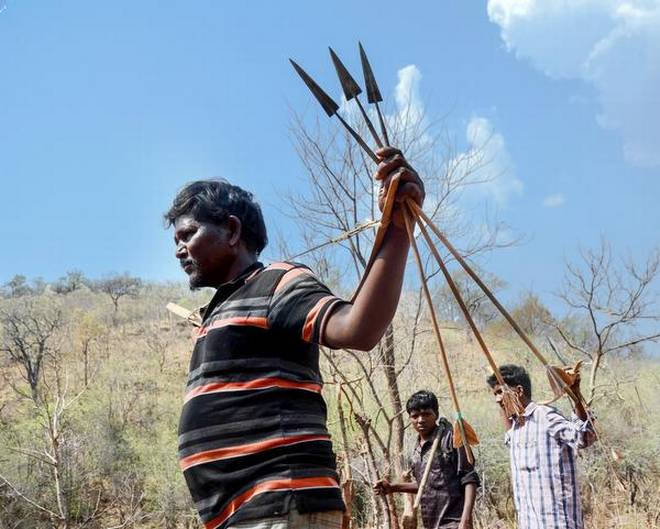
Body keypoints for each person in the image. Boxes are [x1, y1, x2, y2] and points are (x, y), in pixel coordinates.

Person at [164, 147, 424, 529]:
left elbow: (358, 327)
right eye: (175, 240)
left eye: (188, 235)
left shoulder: (275, 283)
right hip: (248, 513)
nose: (179, 250)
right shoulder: (223, 308)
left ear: (233, 231)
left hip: (281, 503)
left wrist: (398, 227)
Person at [486, 364, 596, 529]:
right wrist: (503, 399)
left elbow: (583, 437)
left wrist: (576, 394)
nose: (497, 399)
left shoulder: (545, 416)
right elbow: (509, 436)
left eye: (500, 392)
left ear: (519, 391)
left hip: (557, 523)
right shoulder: (516, 428)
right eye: (495, 394)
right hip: (529, 522)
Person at [373, 390, 479, 529]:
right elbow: (426, 486)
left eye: (426, 414)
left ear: (436, 414)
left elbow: (469, 479)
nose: (420, 420)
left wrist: (465, 520)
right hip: (431, 524)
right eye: (415, 416)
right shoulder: (416, 450)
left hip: (455, 523)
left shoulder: (452, 438)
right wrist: (393, 487)